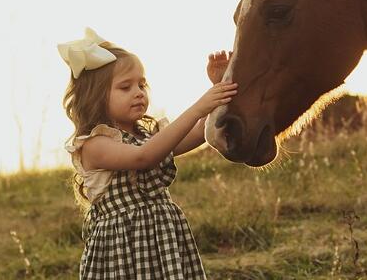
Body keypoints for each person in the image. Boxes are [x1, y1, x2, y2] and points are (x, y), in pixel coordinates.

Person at [60, 27, 237, 279]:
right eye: (125, 87)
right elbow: (143, 157)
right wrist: (199, 106)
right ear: (95, 96)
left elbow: (199, 133)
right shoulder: (94, 144)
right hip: (123, 251)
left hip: (162, 240)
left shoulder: (149, 136)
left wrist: (219, 88)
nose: (138, 92)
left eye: (141, 84)